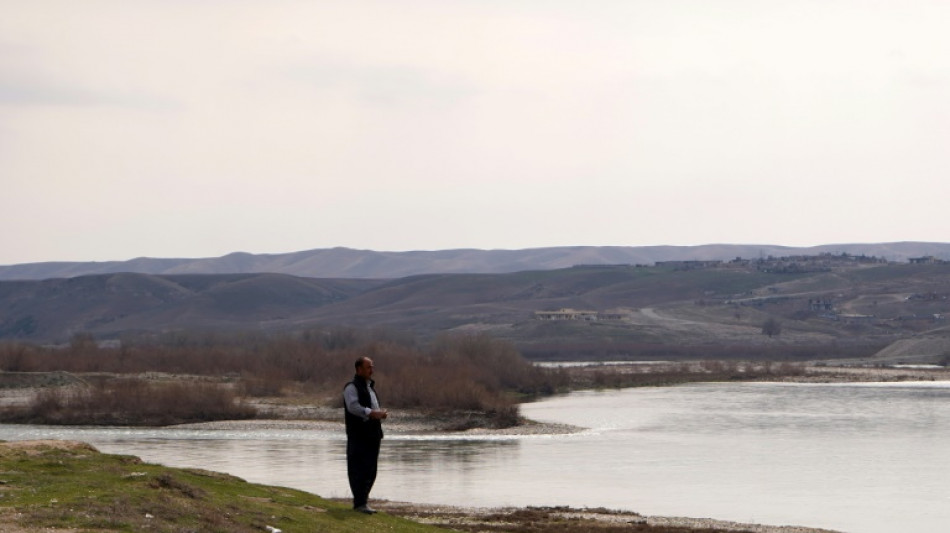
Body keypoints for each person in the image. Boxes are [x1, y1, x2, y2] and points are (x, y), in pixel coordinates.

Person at [343, 356, 387, 514]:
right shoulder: (351, 387)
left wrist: (379, 414)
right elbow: (353, 407)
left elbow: (372, 408)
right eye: (368, 367)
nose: (371, 370)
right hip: (358, 435)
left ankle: (363, 502)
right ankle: (359, 503)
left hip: (373, 435)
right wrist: (372, 413)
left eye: (372, 367)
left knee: (371, 470)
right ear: (359, 369)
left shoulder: (370, 388)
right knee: (358, 469)